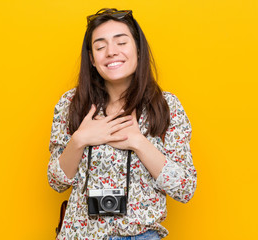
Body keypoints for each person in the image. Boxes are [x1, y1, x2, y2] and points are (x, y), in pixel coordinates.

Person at [47, 8, 197, 240]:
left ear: (138, 49)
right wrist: (80, 140)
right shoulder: (72, 103)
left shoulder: (165, 106)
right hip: (80, 235)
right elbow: (56, 182)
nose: (111, 52)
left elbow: (185, 189)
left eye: (121, 43)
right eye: (100, 46)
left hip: (140, 235)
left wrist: (138, 142)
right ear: (91, 59)